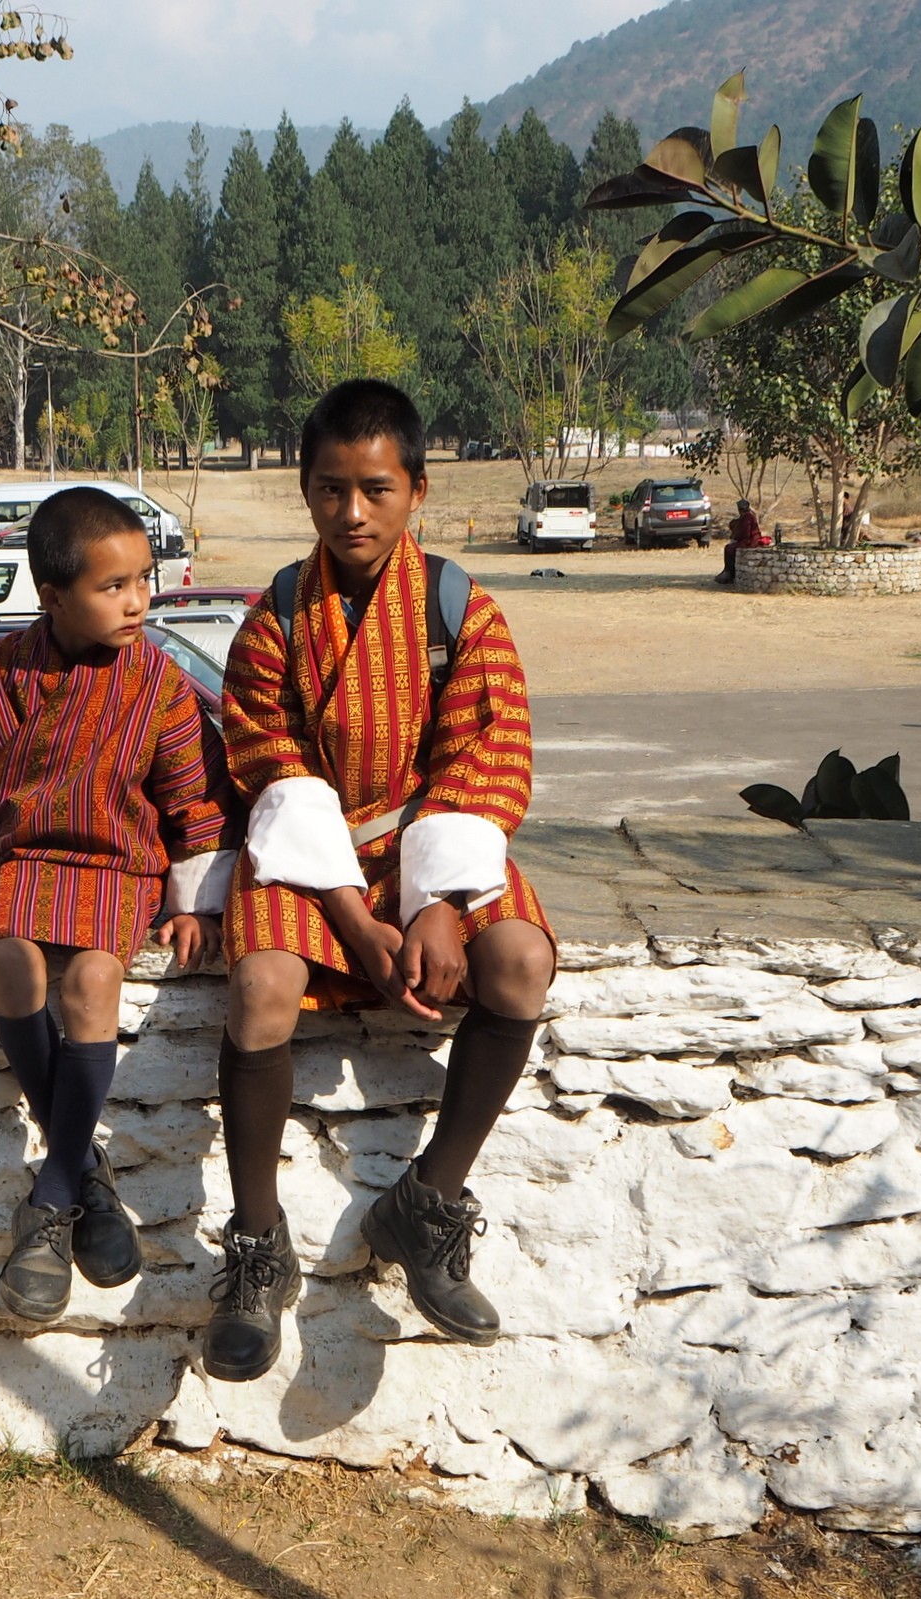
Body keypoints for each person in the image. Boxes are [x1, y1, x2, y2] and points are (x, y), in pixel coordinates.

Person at [206, 379, 556, 1382]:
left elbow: (490, 755)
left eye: (373, 489)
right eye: (328, 490)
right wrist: (358, 924)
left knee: (521, 963)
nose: (350, 513)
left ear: (416, 489)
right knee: (263, 985)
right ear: (305, 490)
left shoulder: (460, 610)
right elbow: (264, 759)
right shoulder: (276, 613)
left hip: (435, 839)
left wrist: (437, 902)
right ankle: (258, 1246)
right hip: (310, 851)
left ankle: (428, 1202)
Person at [0, 488, 241, 1323]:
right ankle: (88, 1176)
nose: (137, 601)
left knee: (94, 983)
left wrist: (197, 899)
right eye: (113, 586)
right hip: (23, 858)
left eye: (145, 579)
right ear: (52, 597)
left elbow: (196, 804)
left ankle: (52, 1195)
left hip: (116, 863)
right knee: (8, 959)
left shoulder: (160, 687)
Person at [715, 497, 768, 583]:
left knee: (729, 548)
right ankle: (728, 571)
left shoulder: (748, 517)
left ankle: (729, 573)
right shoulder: (745, 517)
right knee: (729, 547)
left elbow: (745, 533)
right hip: (747, 540)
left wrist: (736, 538)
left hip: (750, 541)